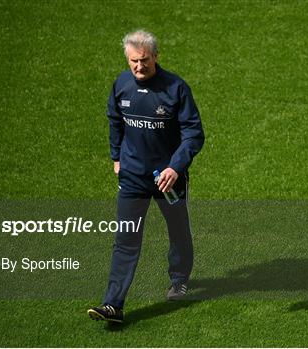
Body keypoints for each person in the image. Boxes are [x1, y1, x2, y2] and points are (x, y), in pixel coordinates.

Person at [88, 29, 204, 323]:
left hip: (169, 179)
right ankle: (113, 304)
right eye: (133, 62)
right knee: (125, 238)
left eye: (144, 61)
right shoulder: (121, 85)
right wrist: (116, 156)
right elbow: (115, 120)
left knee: (178, 231)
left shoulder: (176, 88)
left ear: (156, 57)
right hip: (133, 179)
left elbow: (194, 134)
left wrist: (174, 167)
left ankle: (179, 280)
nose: (139, 67)